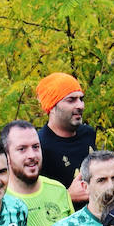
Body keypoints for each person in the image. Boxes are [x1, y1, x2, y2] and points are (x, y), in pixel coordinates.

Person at [36, 73, 95, 207]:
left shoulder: (88, 134)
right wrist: (68, 196)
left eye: (81, 99)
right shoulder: (39, 146)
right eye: (71, 100)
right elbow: (34, 201)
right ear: (52, 106)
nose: (80, 105)